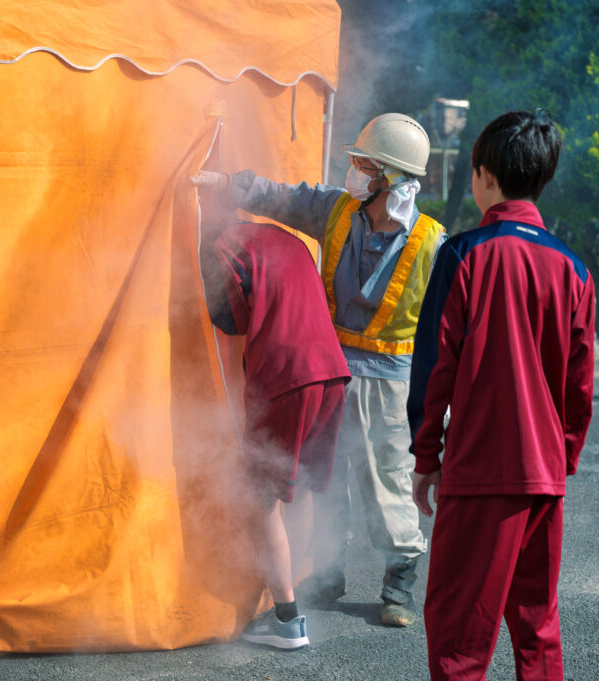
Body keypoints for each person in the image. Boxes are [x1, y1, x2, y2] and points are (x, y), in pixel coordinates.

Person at [193, 113, 446, 627]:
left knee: (387, 481)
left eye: (363, 163)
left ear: (390, 178)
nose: (351, 169)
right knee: (325, 479)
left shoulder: (433, 244)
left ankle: (398, 584)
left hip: (389, 381)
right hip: (333, 369)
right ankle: (329, 572)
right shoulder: (336, 210)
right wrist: (226, 183)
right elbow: (281, 196)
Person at [407, 109, 595, 680]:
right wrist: (561, 457)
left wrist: (426, 457)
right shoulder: (575, 269)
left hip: (480, 474)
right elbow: (579, 387)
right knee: (537, 627)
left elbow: (434, 367)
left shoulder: (465, 253)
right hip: (543, 478)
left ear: (484, 174)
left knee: (460, 633)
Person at [199, 218, 351, 650]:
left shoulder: (222, 241)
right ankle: (294, 590)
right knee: (295, 488)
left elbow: (232, 319)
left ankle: (287, 620)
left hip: (287, 376)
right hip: (332, 373)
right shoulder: (285, 238)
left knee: (259, 495)